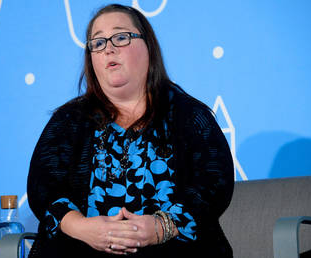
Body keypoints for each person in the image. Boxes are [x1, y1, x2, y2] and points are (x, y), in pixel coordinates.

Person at [27, 4, 234, 257]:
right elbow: (43, 188)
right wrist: (81, 227)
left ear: (148, 47)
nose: (109, 48)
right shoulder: (68, 121)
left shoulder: (190, 116)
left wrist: (161, 227)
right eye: (98, 42)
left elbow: (214, 184)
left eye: (121, 37)